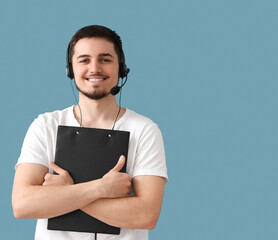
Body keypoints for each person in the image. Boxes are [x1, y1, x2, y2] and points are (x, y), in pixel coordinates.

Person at [12, 25, 168, 240]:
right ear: (71, 69)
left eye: (105, 59)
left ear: (121, 69)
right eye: (84, 60)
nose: (95, 68)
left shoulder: (144, 130)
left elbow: (147, 214)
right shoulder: (45, 126)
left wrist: (66, 192)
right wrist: (100, 188)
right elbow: (22, 204)